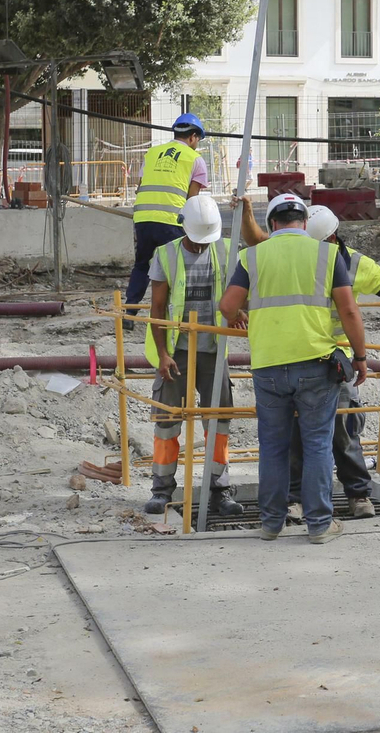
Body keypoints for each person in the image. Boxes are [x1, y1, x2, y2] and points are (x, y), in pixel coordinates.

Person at [236, 198, 380, 521]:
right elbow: (258, 241)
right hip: (304, 354)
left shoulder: (354, 264)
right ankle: (298, 500)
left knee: (342, 430)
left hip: (334, 359)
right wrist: (246, 213)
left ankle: (357, 493)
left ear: (331, 238)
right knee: (298, 434)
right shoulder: (301, 253)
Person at [219, 193, 370, 543]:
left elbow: (226, 306)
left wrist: (241, 314)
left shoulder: (252, 256)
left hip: (268, 366)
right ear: (304, 222)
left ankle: (271, 523)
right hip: (316, 364)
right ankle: (319, 525)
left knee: (273, 446)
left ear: (272, 223)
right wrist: (360, 357)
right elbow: (349, 311)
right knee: (317, 444)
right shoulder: (327, 254)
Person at [143, 193, 244, 519]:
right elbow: (157, 309)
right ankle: (162, 490)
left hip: (213, 350)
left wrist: (238, 311)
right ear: (183, 227)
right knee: (167, 421)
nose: (201, 246)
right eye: (197, 240)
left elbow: (239, 291)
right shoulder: (166, 254)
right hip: (177, 352)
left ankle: (219, 489)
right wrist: (163, 354)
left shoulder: (226, 250)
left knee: (218, 421)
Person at [126, 113, 209, 304]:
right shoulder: (195, 159)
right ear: (192, 137)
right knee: (176, 268)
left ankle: (130, 310)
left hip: (143, 219)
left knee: (142, 264)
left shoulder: (152, 153)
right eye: (198, 139)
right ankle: (176, 309)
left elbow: (141, 186)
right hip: (172, 221)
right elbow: (192, 201)